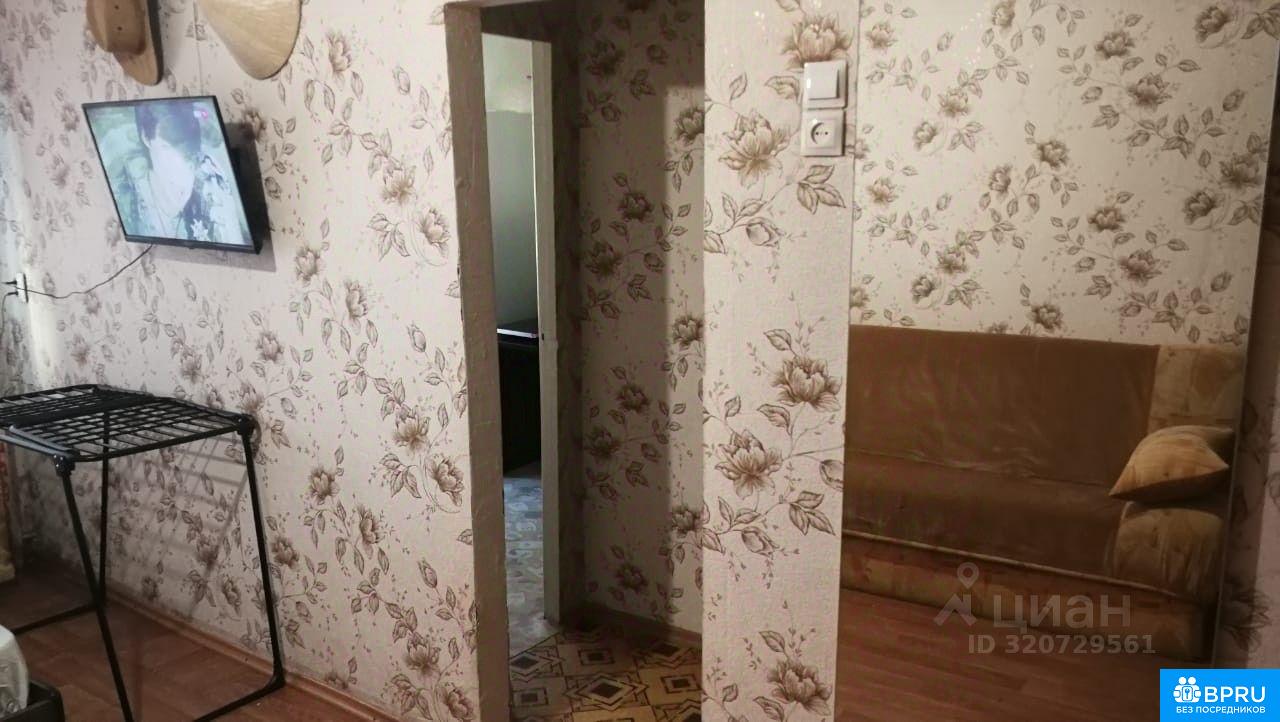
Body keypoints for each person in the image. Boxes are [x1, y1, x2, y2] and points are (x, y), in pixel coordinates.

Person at [107, 100, 250, 245]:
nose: (179, 169)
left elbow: (237, 243)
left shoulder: (211, 182)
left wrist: (229, 226)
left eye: (188, 156)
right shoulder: (127, 192)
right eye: (167, 148)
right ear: (146, 138)